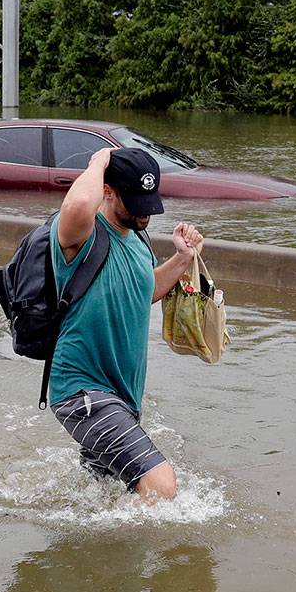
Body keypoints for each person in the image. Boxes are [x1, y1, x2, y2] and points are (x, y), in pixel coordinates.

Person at [48, 146, 204, 503]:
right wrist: (98, 162)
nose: (145, 212)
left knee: (102, 496)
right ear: (107, 191)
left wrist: (183, 259)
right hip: (82, 391)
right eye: (133, 200)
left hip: (122, 394)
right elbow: (75, 206)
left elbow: (143, 290)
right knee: (161, 487)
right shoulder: (78, 236)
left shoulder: (137, 239)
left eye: (149, 201)